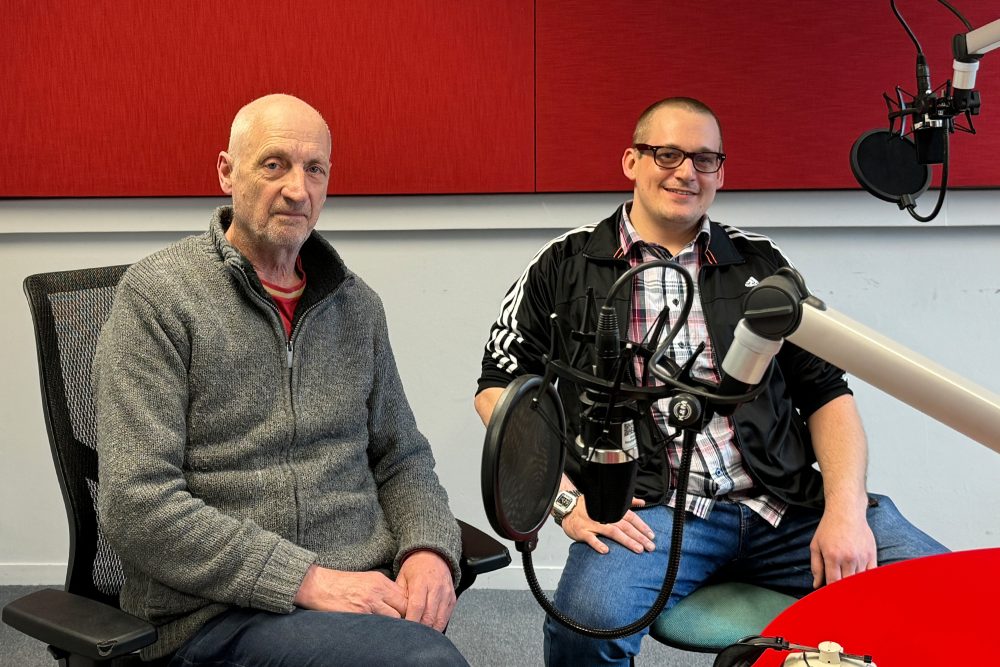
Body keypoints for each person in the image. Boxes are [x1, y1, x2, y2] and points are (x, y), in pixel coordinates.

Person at [474, 96, 947, 666]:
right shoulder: (563, 263)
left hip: (786, 508)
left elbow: (827, 394)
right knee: (588, 628)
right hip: (652, 511)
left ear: (721, 172)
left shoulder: (761, 264)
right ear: (631, 161)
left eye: (703, 159)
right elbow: (499, 387)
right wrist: (565, 499)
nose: (685, 172)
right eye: (666, 153)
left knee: (948, 593)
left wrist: (844, 510)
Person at [94, 94, 468, 666]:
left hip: (359, 590)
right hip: (215, 613)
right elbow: (136, 502)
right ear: (226, 172)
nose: (298, 189)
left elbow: (402, 455)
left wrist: (427, 549)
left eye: (314, 169)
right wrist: (306, 580)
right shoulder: (159, 298)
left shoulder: (357, 306)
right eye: (275, 165)